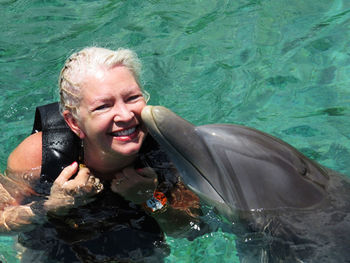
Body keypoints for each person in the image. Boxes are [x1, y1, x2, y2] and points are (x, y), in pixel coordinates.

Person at [0, 47, 203, 262]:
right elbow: (3, 220)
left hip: (136, 248)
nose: (125, 115)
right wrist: (51, 206)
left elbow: (189, 227)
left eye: (132, 98)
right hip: (52, 249)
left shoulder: (165, 149)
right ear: (74, 122)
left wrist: (150, 198)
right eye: (103, 107)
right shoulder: (37, 156)